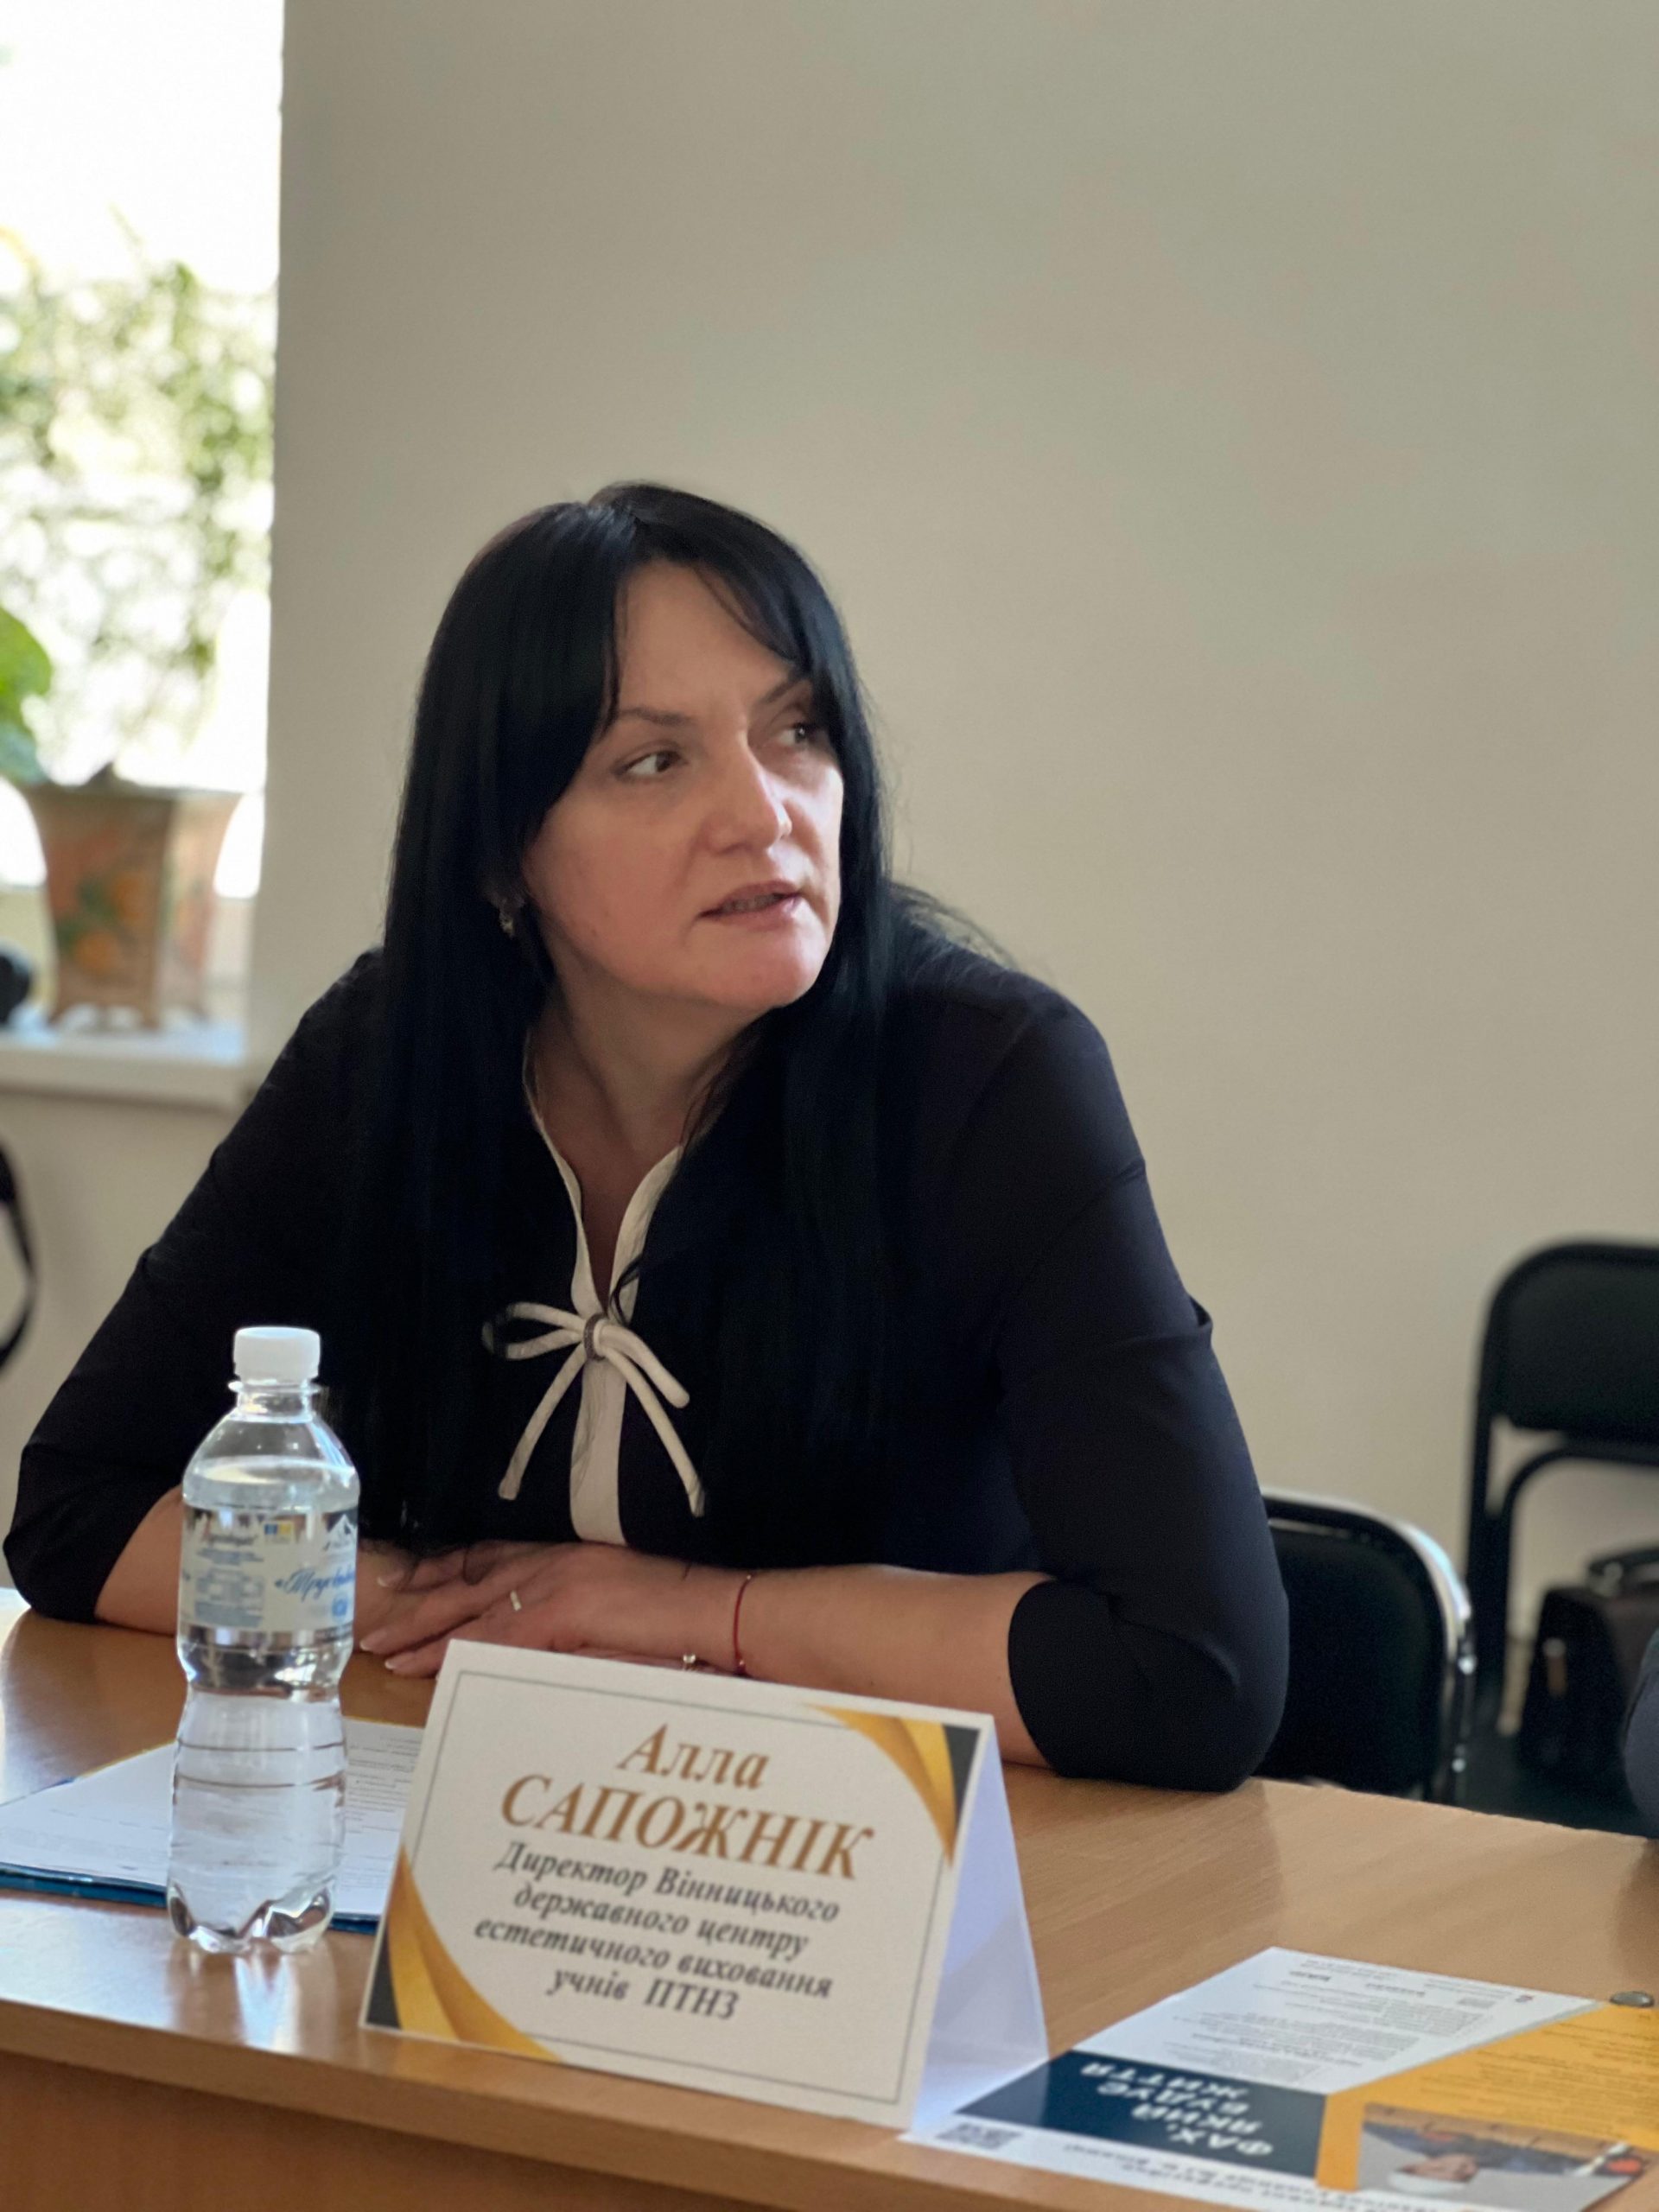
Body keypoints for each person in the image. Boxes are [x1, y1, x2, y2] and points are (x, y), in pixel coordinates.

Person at [4, 484, 1287, 1785]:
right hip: (481, 1814)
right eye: (655, 761)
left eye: (797, 731)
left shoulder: (989, 1080)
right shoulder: (391, 1055)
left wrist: (700, 1615)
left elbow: (1194, 1671)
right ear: (501, 854)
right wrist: (438, 1603)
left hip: (903, 1856)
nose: (765, 813)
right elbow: (77, 1510)